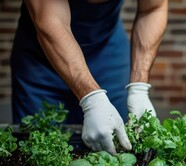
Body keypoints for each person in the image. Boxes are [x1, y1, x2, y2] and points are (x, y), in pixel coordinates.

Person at [11, 0, 167, 154]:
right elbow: (51, 21)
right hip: (42, 60)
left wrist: (139, 88)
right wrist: (92, 99)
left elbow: (153, 9)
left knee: (115, 140)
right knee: (38, 146)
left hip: (106, 51)